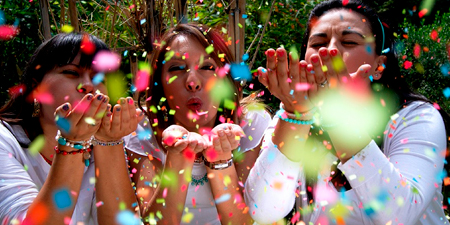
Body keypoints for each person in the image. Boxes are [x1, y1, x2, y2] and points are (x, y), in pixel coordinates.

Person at [245, 0, 449, 224]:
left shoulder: (417, 117)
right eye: (317, 42)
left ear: (379, 66)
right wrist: (296, 115)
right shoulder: (289, 117)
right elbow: (263, 211)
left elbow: (400, 215)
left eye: (349, 42)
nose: (328, 50)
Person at [125, 23, 270, 225]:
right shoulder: (143, 130)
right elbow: (154, 222)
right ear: (160, 84)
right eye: (176, 68)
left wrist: (219, 159)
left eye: (207, 67)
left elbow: (244, 221)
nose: (193, 81)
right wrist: (178, 157)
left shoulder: (250, 124)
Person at [0, 32, 144, 225]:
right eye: (71, 73)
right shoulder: (5, 141)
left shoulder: (105, 141)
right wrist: (72, 144)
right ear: (36, 87)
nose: (87, 86)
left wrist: (109, 142)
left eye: (98, 78)